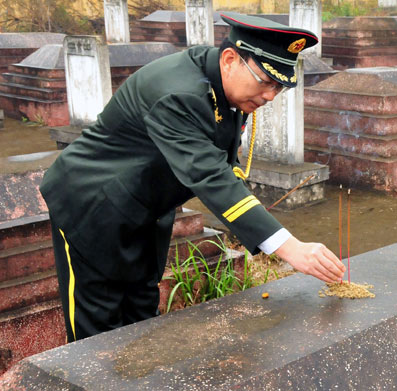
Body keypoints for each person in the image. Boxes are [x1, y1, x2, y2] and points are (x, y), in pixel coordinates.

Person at [40, 12, 345, 343]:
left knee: (142, 315)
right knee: (97, 331)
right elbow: (209, 174)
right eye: (266, 81)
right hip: (91, 208)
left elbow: (224, 166)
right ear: (230, 59)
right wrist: (290, 248)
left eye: (279, 87)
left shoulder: (223, 86)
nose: (271, 95)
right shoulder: (177, 92)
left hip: (144, 207)